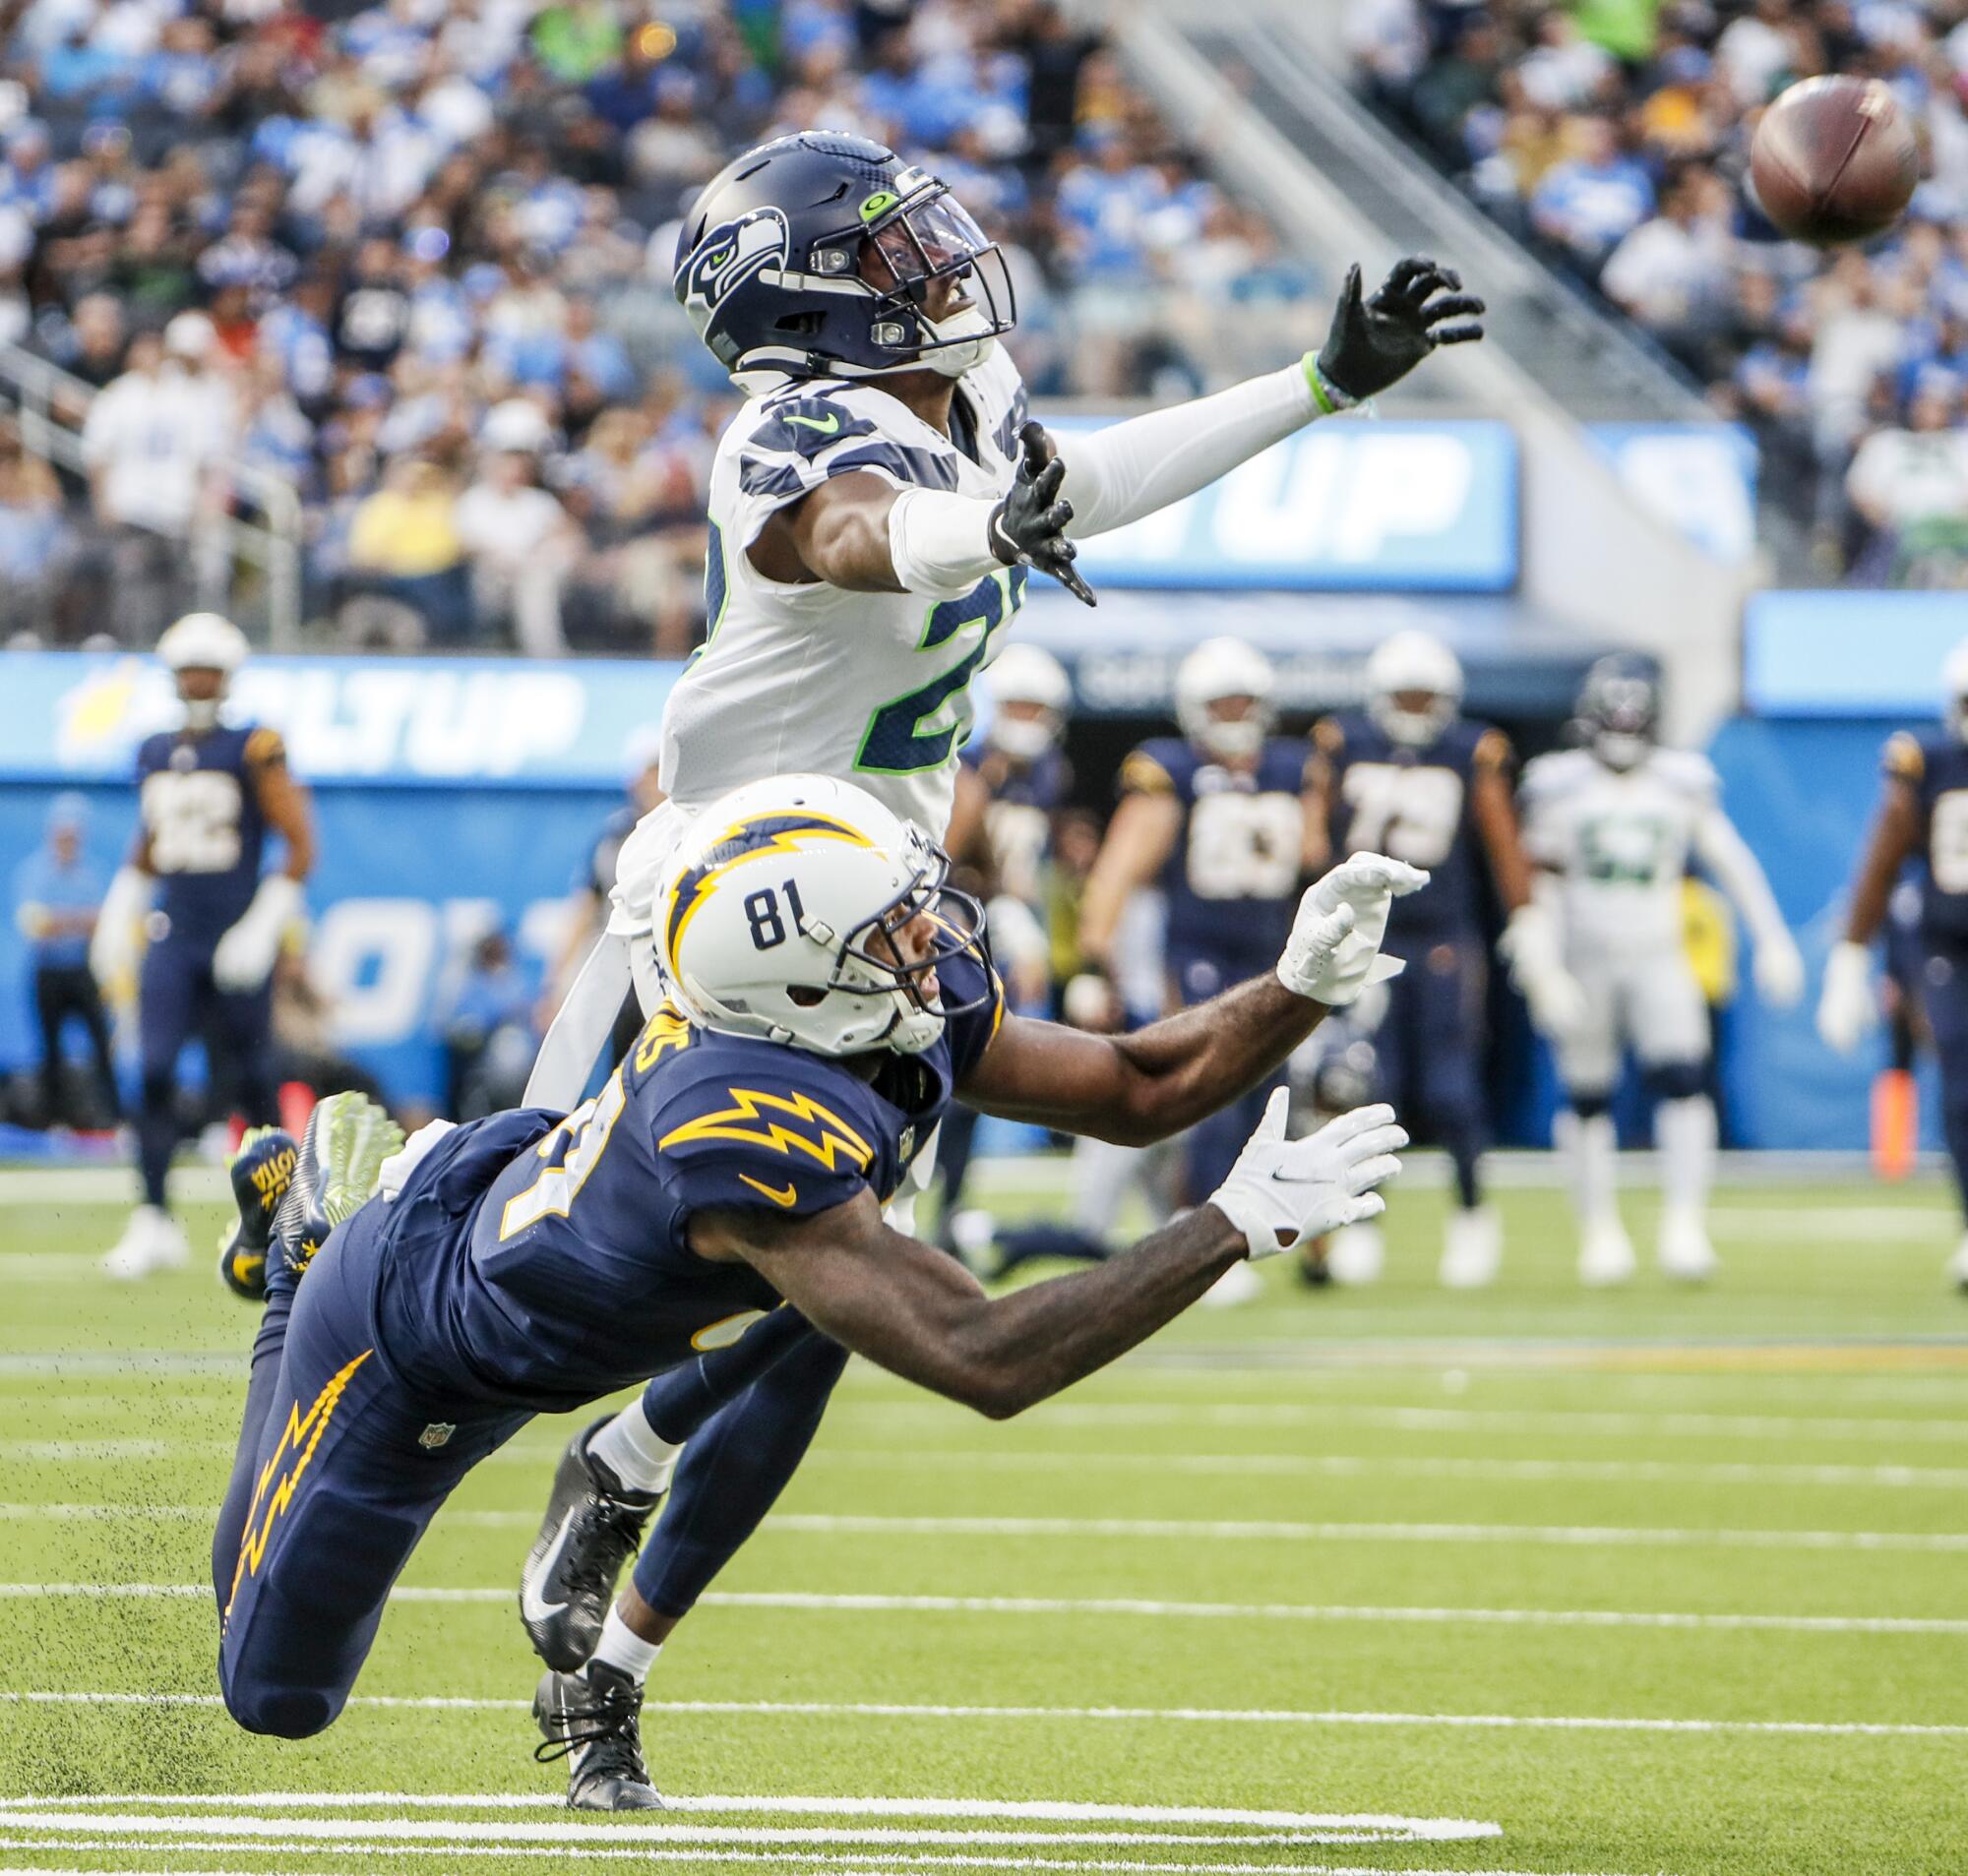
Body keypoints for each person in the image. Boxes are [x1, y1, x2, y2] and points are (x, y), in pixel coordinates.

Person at [211, 774, 1421, 1801]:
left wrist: (1300, 980)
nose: (930, 940)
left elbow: (1132, 1084)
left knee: (846, 1279)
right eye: (891, 930)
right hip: (405, 1344)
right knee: (275, 1694)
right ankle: (306, 1240)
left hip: (550, 1250)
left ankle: (619, 1456)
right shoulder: (739, 1127)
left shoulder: (861, 1011)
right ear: (800, 988)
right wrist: (1221, 1225)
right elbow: (982, 1355)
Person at [524, 129, 1485, 1109]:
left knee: (941, 1184)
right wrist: (985, 526)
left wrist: (1314, 385)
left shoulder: (970, 397)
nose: (941, 258)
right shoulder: (790, 430)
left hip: (877, 884)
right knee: (734, 1234)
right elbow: (860, 530)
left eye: (926, 229)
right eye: (892, 249)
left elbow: (1093, 479)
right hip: (746, 894)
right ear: (803, 301)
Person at [1306, 630, 1582, 1288]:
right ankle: (1360, 1224)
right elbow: (1314, 843)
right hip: (1365, 939)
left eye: (1426, 695)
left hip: (1440, 939)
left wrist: (1530, 925)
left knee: (1452, 1088)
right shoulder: (1342, 746)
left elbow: (1501, 841)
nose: (1414, 706)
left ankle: (1472, 1214)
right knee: (1367, 1087)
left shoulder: (1468, 752)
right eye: (1404, 693)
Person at [1519, 656, 1804, 1284]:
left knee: (1683, 1080)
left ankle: (1685, 1225)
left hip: (1658, 952)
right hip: (1585, 956)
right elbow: (1540, 886)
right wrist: (1541, 966)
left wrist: (1773, 937)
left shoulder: (1680, 781)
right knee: (1587, 1095)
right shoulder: (1559, 785)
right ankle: (1598, 1232)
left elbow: (1731, 860)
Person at [1075, 637, 1317, 1303]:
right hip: (1200, 952)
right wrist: (1095, 959)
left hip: (1279, 951)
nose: (1235, 714)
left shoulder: (1295, 770)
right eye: (1222, 702)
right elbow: (1117, 869)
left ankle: (1302, 1239)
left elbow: (1325, 856)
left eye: (1245, 701)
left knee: (1286, 1096)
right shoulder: (1171, 772)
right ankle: (1195, 1235)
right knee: (1212, 1095)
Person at [91, 613, 315, 1280]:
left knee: (254, 1080)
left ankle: (293, 1217)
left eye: (207, 669)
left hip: (233, 934)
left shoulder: (254, 745)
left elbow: (300, 843)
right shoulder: (154, 749)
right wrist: (123, 899)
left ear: (228, 674)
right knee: (153, 1067)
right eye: (187, 669)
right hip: (173, 931)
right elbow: (157, 836)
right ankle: (154, 1216)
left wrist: (262, 921)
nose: (196, 681)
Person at [1819, 638, 1968, 1289]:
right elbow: (1883, 856)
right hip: (1950, 944)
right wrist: (1850, 956)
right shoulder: (1929, 764)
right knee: (1962, 1082)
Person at [934, 641, 1074, 1233]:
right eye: (1014, 708)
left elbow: (1023, 872)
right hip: (947, 921)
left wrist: (1024, 929)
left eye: (1034, 710)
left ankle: (952, 1204)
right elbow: (941, 858)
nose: (1024, 723)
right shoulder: (965, 768)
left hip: (996, 926)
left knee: (975, 1073)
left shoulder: (1049, 777)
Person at [11, 792, 118, 1127]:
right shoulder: (34, 871)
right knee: (51, 1049)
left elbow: (104, 921)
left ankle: (113, 1116)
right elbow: (34, 925)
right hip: (49, 971)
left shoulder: (92, 872)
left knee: (102, 1044)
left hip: (83, 970)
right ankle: (55, 1118)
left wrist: (61, 921)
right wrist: (79, 921)